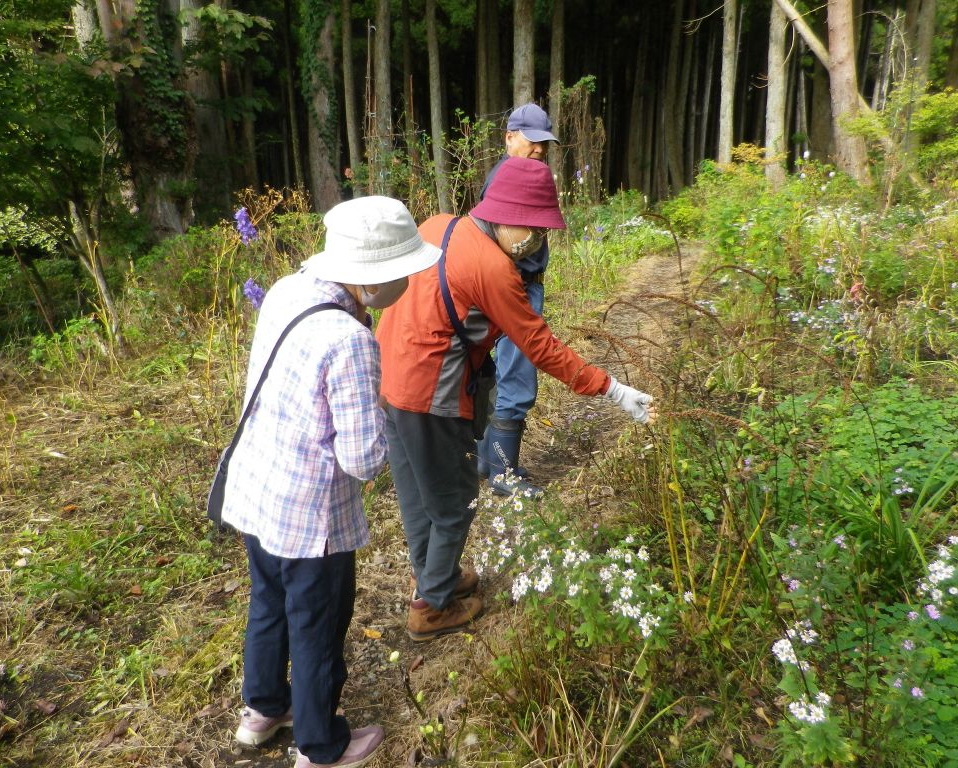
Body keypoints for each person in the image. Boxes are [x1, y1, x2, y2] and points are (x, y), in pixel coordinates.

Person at [375, 157, 656, 642]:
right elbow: (539, 346)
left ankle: (435, 578)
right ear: (505, 218)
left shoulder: (438, 225)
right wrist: (613, 389)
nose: (537, 241)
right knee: (455, 503)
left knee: (418, 497)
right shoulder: (492, 267)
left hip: (389, 383)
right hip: (432, 397)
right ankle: (430, 607)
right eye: (534, 229)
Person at [220, 197, 441, 768]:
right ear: (373, 278)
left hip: (258, 487)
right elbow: (362, 459)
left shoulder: (287, 291)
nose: (407, 284)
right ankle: (321, 747)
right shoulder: (350, 340)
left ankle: (263, 710)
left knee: (268, 603)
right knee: (317, 626)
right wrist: (385, 417)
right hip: (311, 518)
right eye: (402, 274)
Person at [476, 103, 560, 496]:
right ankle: (503, 475)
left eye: (545, 143)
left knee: (499, 375)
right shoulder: (506, 180)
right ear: (509, 137)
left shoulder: (510, 174)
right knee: (517, 378)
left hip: (514, 287)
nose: (540, 149)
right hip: (516, 289)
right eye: (532, 141)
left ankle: (487, 461)